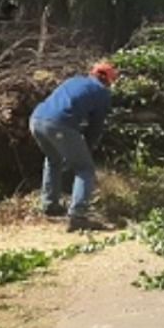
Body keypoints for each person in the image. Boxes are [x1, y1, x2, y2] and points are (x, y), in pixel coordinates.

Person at [29, 61, 118, 231]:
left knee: (53, 160)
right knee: (85, 168)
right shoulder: (101, 92)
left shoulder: (74, 81)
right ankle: (78, 216)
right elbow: (96, 125)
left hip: (36, 120)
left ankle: (50, 206)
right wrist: (89, 148)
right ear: (107, 80)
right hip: (58, 124)